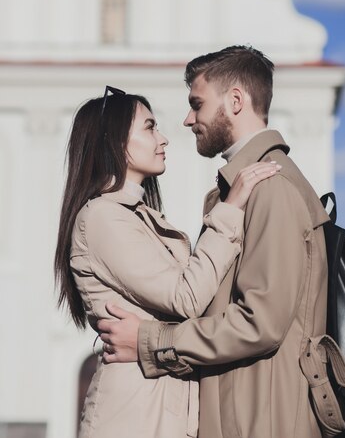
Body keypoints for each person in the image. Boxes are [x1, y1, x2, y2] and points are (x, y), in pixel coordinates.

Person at [98, 45, 333, 438]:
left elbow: (260, 323)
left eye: (197, 104)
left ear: (235, 101)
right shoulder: (241, 188)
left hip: (262, 421)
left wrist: (150, 341)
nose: (188, 120)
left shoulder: (271, 187)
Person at [54, 87, 279, 438]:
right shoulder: (102, 218)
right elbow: (187, 297)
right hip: (133, 416)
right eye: (149, 127)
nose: (163, 139)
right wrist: (230, 210)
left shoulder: (138, 217)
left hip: (162, 409)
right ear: (114, 142)